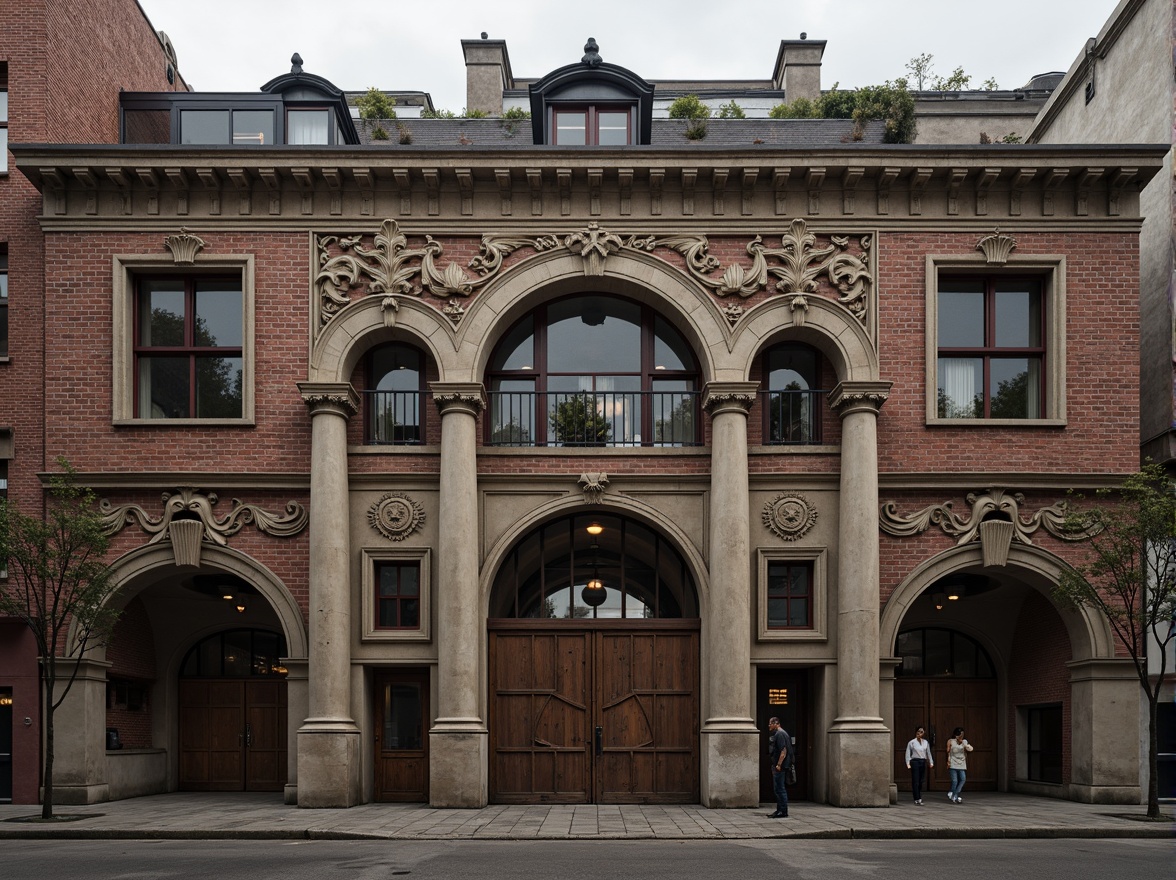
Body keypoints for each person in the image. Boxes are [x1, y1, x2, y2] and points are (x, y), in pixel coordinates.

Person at [766, 716, 791, 818]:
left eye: (770, 724)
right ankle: (779, 810)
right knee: (779, 789)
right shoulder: (781, 733)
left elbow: (783, 751)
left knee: (779, 789)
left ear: (775, 723)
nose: (769, 726)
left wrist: (778, 765)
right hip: (780, 766)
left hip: (780, 767)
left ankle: (782, 811)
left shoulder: (779, 734)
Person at [904, 725, 934, 805]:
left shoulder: (925, 742)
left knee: (921, 780)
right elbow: (908, 753)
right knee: (916, 780)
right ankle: (917, 798)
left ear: (924, 733)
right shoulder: (912, 742)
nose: (919, 733)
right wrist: (908, 763)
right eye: (918, 731)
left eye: (921, 732)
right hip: (915, 761)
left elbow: (928, 753)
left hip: (922, 761)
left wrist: (931, 762)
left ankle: (918, 794)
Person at [946, 727, 974, 803]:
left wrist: (964, 744)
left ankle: (955, 794)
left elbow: (970, 749)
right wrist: (948, 761)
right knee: (954, 781)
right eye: (959, 734)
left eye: (962, 734)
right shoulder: (951, 741)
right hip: (953, 762)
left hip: (961, 763)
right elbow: (948, 751)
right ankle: (954, 795)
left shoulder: (964, 741)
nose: (961, 736)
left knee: (963, 779)